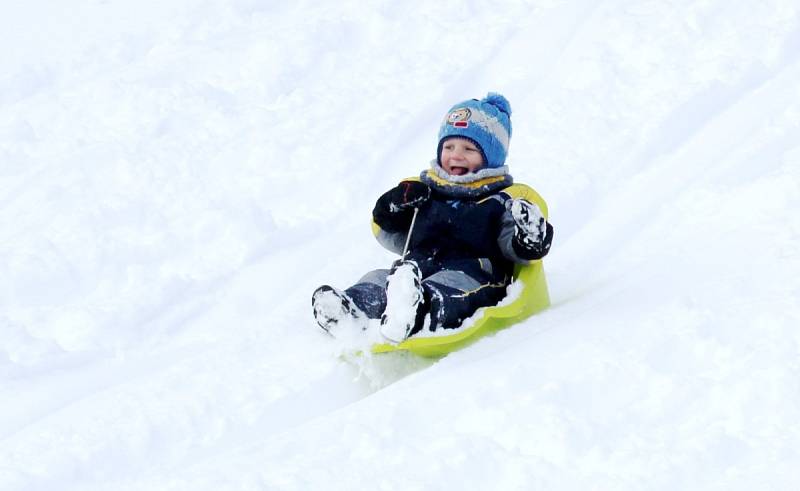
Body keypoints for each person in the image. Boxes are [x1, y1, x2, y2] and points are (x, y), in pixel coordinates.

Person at [312, 93, 553, 343]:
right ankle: (352, 310)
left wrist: (528, 235)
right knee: (379, 278)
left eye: (469, 149)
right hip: (415, 268)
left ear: (491, 156)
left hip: (475, 272)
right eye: (448, 147)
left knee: (451, 289)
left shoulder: (503, 199)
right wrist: (394, 205)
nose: (456, 155)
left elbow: (516, 250)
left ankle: (418, 313)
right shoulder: (424, 190)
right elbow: (387, 232)